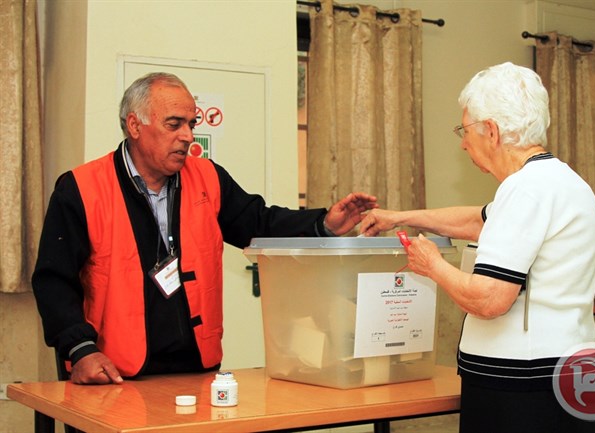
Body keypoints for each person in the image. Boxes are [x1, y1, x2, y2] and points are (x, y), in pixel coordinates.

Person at [32, 72, 377, 385]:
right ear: (135, 126)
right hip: (114, 373)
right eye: (174, 124)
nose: (187, 136)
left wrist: (323, 224)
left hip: (195, 369)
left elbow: (260, 223)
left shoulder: (208, 177)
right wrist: (80, 348)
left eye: (191, 124)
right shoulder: (81, 189)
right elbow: (54, 280)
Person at [360, 62, 595, 433]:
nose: (463, 143)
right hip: (568, 371)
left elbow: (489, 300)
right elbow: (480, 221)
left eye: (465, 129)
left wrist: (432, 265)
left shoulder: (525, 190)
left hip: (520, 385)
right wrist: (399, 217)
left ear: (491, 131)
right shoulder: (562, 182)